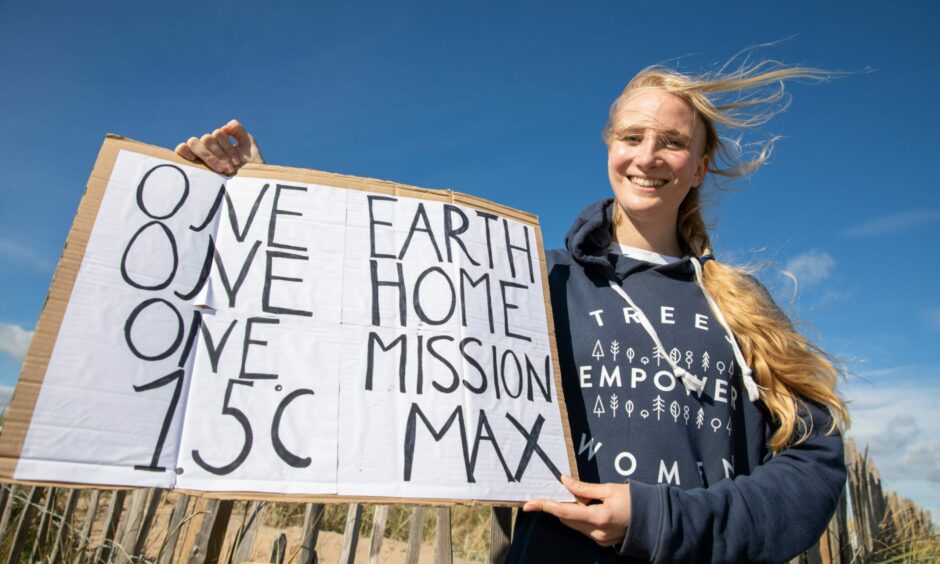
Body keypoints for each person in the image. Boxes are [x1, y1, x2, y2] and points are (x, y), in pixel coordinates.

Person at [176, 60, 849, 563]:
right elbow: (376, 322)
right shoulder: (531, 278)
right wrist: (269, 202)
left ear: (699, 166)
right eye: (632, 136)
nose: (649, 156)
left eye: (672, 142)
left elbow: (811, 468)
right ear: (609, 147)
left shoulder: (742, 304)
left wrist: (659, 518)